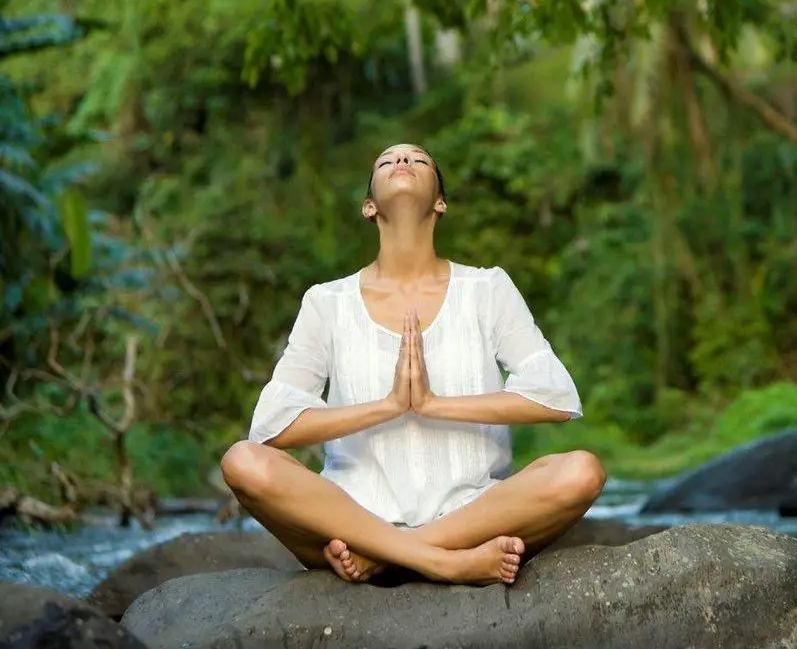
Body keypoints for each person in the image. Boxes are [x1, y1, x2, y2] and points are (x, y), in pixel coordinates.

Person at [219, 143, 605, 586]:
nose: (402, 162)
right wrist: (387, 406)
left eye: (418, 160)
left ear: (440, 202)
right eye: (386, 161)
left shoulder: (487, 289)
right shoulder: (326, 302)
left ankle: (388, 558)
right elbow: (271, 426)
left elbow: (555, 397)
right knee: (243, 462)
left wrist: (432, 403)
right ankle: (442, 561)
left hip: (469, 517)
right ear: (369, 206)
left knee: (580, 472)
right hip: (349, 523)